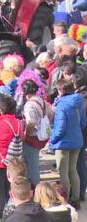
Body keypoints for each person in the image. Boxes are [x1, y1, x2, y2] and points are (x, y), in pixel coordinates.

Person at [50, 78, 86, 206]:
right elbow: (82, 122)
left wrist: (52, 140)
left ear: (61, 90)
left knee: (63, 172)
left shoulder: (62, 105)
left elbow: (60, 128)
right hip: (76, 140)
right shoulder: (78, 101)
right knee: (73, 170)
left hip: (63, 143)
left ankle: (65, 198)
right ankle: (76, 197)